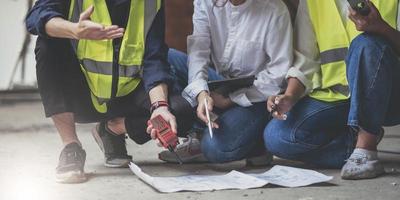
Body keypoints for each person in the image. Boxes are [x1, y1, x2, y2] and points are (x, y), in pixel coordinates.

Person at [26, 0, 194, 183]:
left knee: (180, 113)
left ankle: (112, 129)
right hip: (83, 97)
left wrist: (159, 107)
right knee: (47, 43)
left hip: (128, 94)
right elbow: (36, 17)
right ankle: (70, 146)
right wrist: (73, 30)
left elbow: (154, 58)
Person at [264, 0, 400, 179]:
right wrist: (289, 96)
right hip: (339, 98)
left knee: (365, 42)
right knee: (277, 136)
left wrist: (381, 27)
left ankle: (366, 149)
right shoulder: (313, 3)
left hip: (389, 96)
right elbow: (305, 63)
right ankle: (354, 142)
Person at [159, 0, 293, 164]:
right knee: (166, 58)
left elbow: (278, 74)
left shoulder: (274, 10)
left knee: (214, 148)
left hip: (256, 98)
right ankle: (200, 131)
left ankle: (255, 142)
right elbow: (198, 53)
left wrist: (231, 100)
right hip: (219, 84)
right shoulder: (206, 3)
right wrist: (201, 93)